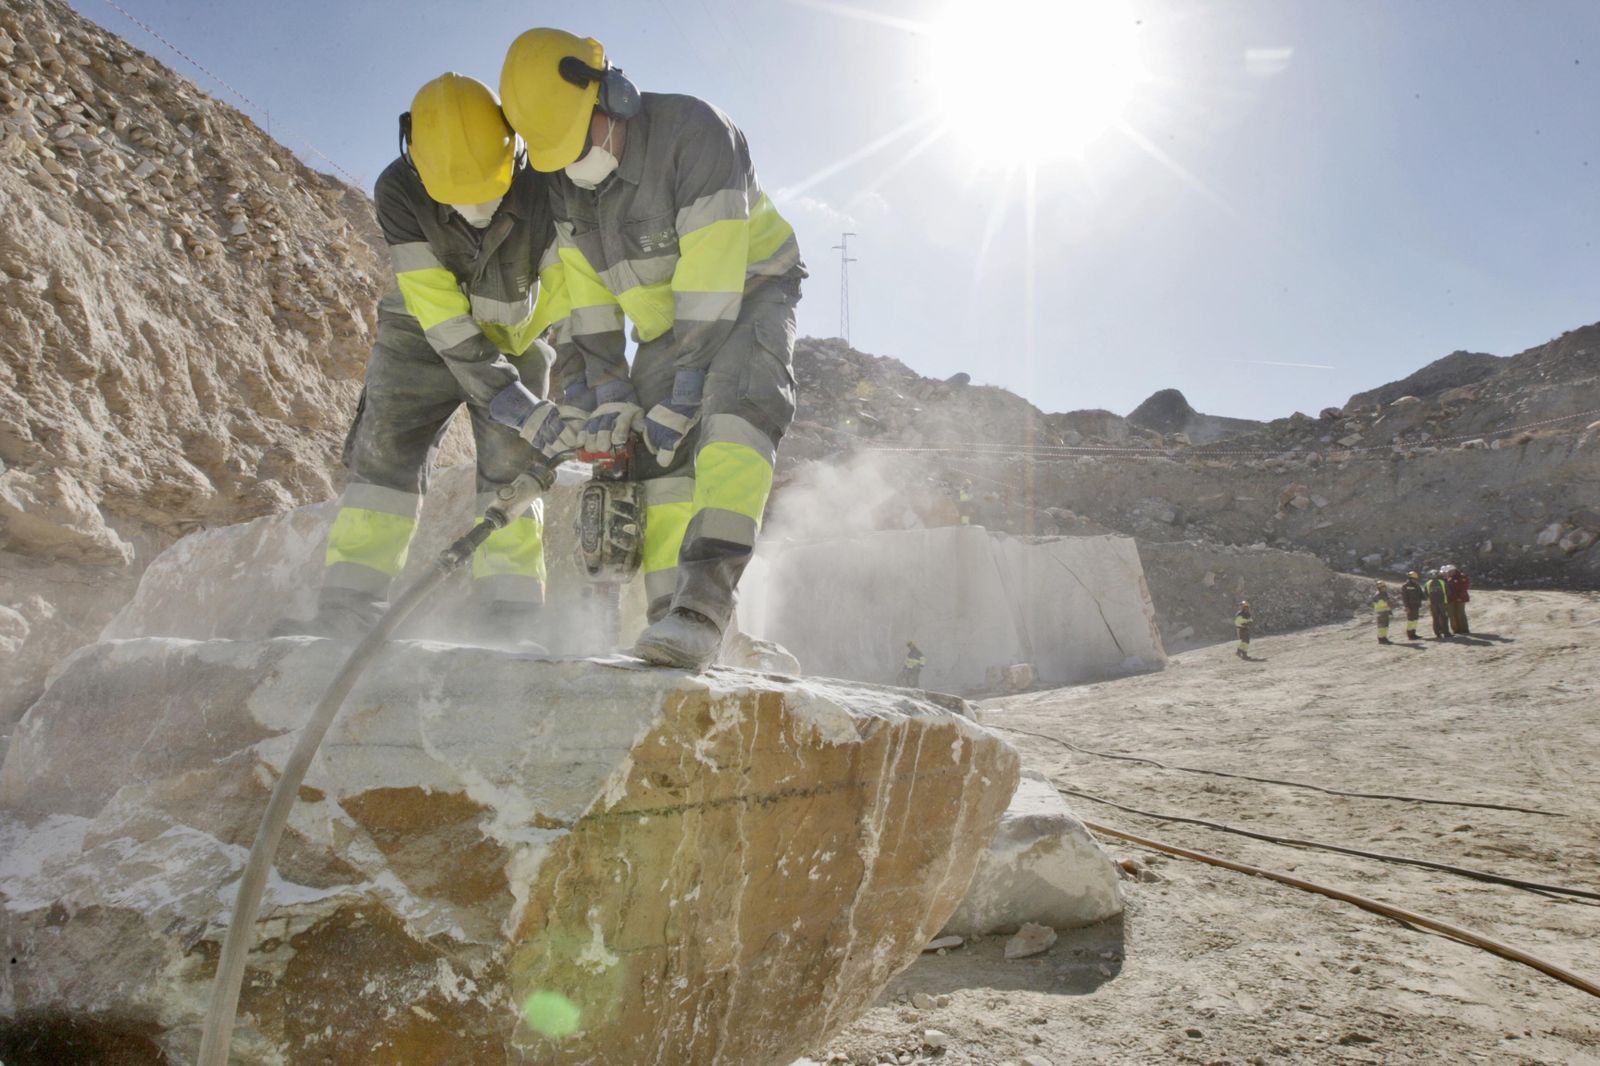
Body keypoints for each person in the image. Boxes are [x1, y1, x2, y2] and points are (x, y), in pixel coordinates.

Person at [498, 28, 806, 670]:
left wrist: (686, 388)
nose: (573, 162)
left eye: (581, 141)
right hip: (670, 323)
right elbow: (585, 293)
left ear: (616, 96)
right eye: (556, 155)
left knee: (731, 420)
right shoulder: (563, 182)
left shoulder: (695, 133)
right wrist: (603, 390)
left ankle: (705, 609)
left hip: (750, 290)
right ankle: (673, 621)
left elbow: (715, 274)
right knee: (658, 463)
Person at [280, 74, 568, 641]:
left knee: (513, 467)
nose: (475, 208)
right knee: (385, 452)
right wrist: (503, 393)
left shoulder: (551, 189)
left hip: (519, 337)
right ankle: (350, 603)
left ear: (514, 148)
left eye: (488, 190)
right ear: (417, 163)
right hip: (421, 332)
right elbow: (435, 306)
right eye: (457, 197)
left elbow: (575, 293)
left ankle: (509, 614)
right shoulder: (398, 188)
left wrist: (569, 386)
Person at [1423, 569, 1451, 640]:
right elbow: (1448, 592)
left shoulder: (1427, 583)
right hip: (1442, 603)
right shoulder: (1442, 582)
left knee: (1435, 618)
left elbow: (1425, 595)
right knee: (1444, 617)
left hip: (1432, 603)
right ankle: (1446, 633)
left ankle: (1437, 634)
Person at [1443, 564, 1471, 635]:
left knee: (1461, 613)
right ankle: (1456, 630)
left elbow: (1464, 588)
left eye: (1449, 571)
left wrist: (1460, 597)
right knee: (1452, 615)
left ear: (1454, 570)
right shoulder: (1448, 578)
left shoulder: (1462, 577)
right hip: (1451, 599)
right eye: (1448, 572)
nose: (1448, 573)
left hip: (1460, 599)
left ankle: (1464, 629)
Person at [1399, 571, 1424, 641]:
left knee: (1415, 620)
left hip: (1416, 606)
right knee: (1410, 620)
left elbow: (1421, 595)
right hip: (1410, 606)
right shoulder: (1405, 586)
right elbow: (1404, 598)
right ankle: (1410, 635)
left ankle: (1414, 633)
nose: (1415, 580)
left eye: (1416, 579)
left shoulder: (1417, 585)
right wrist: (1406, 607)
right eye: (1413, 579)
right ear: (1410, 578)